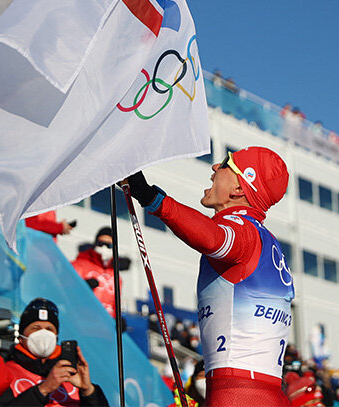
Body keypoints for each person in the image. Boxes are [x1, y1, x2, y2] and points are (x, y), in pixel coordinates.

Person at [126, 146, 294, 406]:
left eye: (226, 164)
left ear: (239, 189)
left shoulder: (244, 230)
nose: (215, 167)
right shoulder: (267, 239)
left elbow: (213, 238)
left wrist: (151, 198)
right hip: (264, 392)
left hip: (237, 393)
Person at [0, 298, 108, 406]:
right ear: (21, 337)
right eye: (36, 328)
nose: (43, 334)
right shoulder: (5, 374)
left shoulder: (71, 373)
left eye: (49, 329)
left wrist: (88, 392)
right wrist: (43, 390)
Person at [71, 227, 129, 318]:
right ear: (95, 244)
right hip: (83, 317)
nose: (104, 248)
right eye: (101, 244)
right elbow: (65, 289)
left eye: (109, 245)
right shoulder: (79, 264)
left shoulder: (115, 274)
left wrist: (117, 319)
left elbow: (115, 303)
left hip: (105, 322)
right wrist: (82, 286)